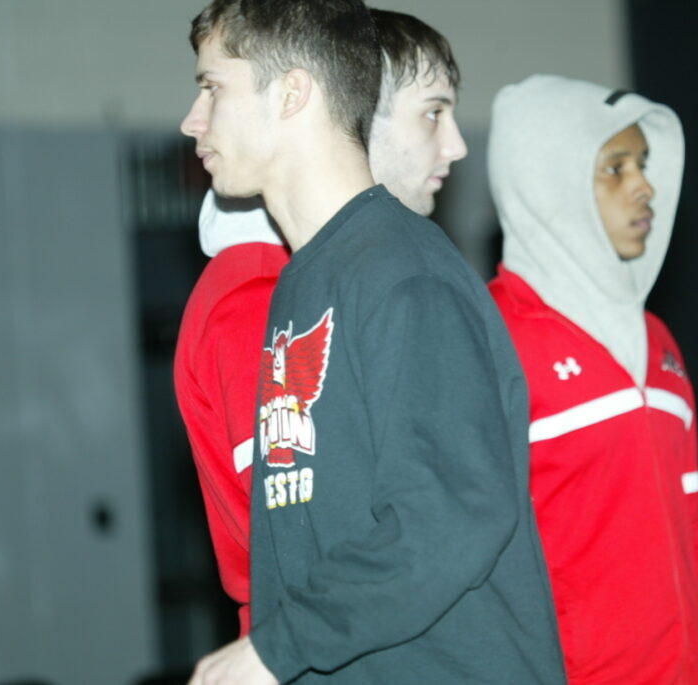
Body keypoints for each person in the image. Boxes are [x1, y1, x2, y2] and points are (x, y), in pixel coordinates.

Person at [178, 1, 567, 683]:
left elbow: (451, 517)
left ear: (291, 93)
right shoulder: (302, 283)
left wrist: (277, 648)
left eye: (213, 87)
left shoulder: (404, 273)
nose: (193, 118)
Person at [173, 7, 467, 639]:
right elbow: (320, 541)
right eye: (431, 113)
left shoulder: (380, 275)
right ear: (357, 116)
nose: (455, 146)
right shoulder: (259, 295)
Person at [486, 74, 698, 684]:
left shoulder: (659, 342)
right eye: (615, 168)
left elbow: (695, 539)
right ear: (549, 181)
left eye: (644, 164)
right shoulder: (488, 340)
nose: (645, 187)